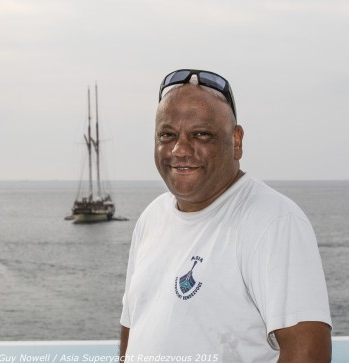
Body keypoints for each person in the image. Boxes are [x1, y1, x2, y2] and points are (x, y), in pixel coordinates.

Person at [119, 69, 332, 363]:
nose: (180, 150)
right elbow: (133, 327)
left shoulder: (273, 222)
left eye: (201, 134)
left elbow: (308, 354)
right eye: (167, 135)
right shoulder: (151, 218)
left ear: (237, 141)